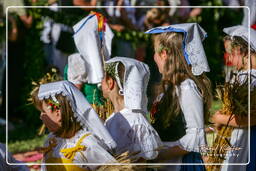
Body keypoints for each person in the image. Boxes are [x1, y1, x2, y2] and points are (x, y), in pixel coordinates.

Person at [145, 23, 212, 170]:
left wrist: (161, 156)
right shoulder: (170, 86)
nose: (153, 57)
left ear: (164, 54)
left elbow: (196, 137)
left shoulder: (186, 87)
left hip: (182, 163)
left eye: (155, 52)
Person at [31, 80, 116, 170]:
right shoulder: (51, 141)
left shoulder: (87, 145)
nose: (41, 116)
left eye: (43, 111)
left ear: (57, 112)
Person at [211, 25, 256, 171]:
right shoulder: (243, 77)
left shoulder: (249, 79)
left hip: (245, 141)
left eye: (230, 53)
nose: (229, 58)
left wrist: (219, 119)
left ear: (242, 52)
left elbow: (252, 117)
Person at [102, 57, 162, 162]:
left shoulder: (136, 121)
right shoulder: (111, 118)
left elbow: (145, 158)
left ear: (110, 82)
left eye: (102, 78)